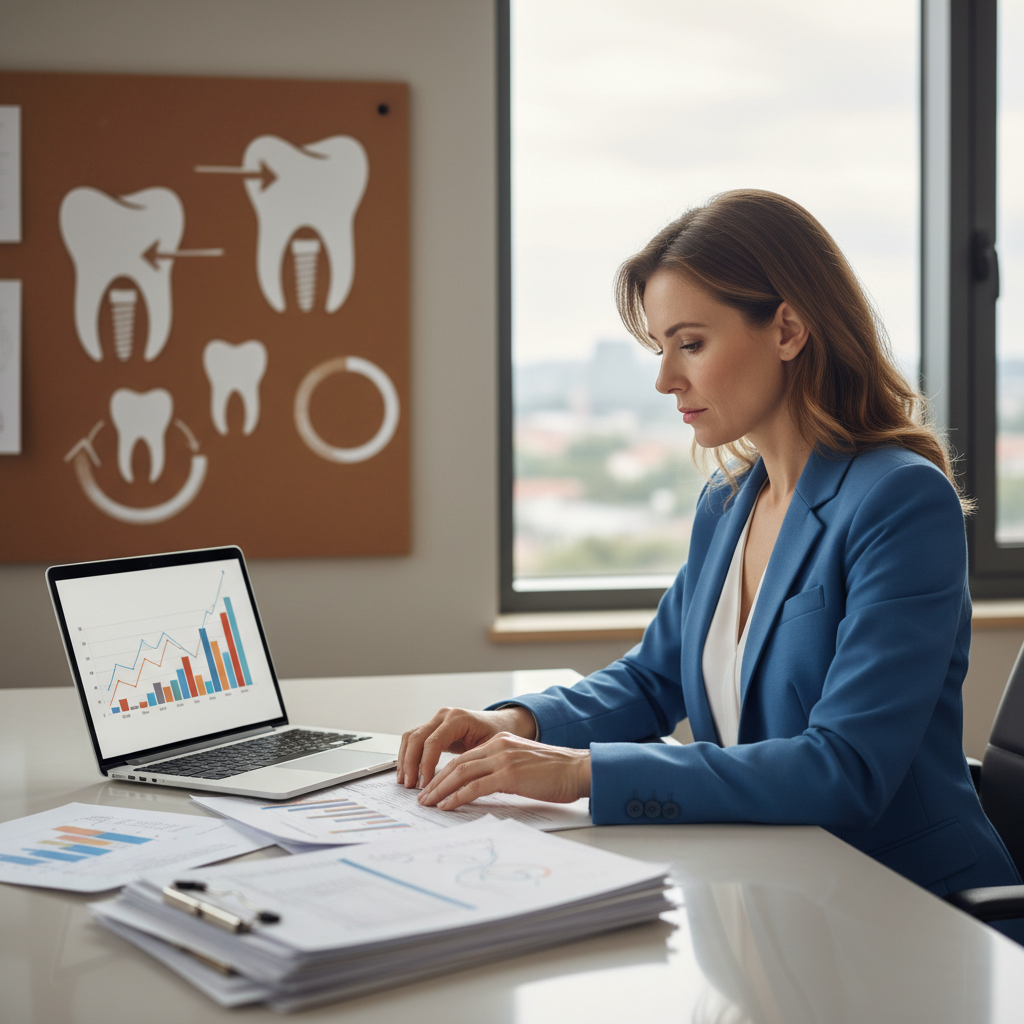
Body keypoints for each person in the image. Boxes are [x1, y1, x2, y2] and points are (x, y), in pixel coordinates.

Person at [398, 189, 1021, 895]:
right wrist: (513, 722)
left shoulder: (899, 500)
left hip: (909, 905)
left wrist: (579, 773)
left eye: (690, 343)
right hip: (771, 889)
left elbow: (845, 768)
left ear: (788, 330)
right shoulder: (729, 500)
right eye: (662, 349)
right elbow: (653, 679)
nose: (666, 380)